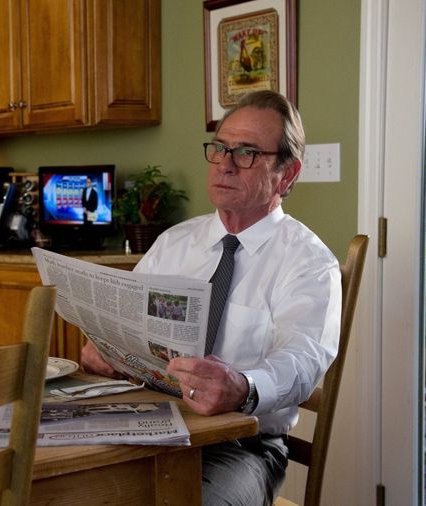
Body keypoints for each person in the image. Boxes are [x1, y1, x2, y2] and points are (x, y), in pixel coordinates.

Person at [80, 90, 341, 505]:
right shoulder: (174, 243)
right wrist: (106, 349)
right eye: (220, 148)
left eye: (247, 153)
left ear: (287, 174)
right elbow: (127, 325)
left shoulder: (309, 262)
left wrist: (242, 387)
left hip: (241, 446)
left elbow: (302, 362)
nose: (225, 164)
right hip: (147, 424)